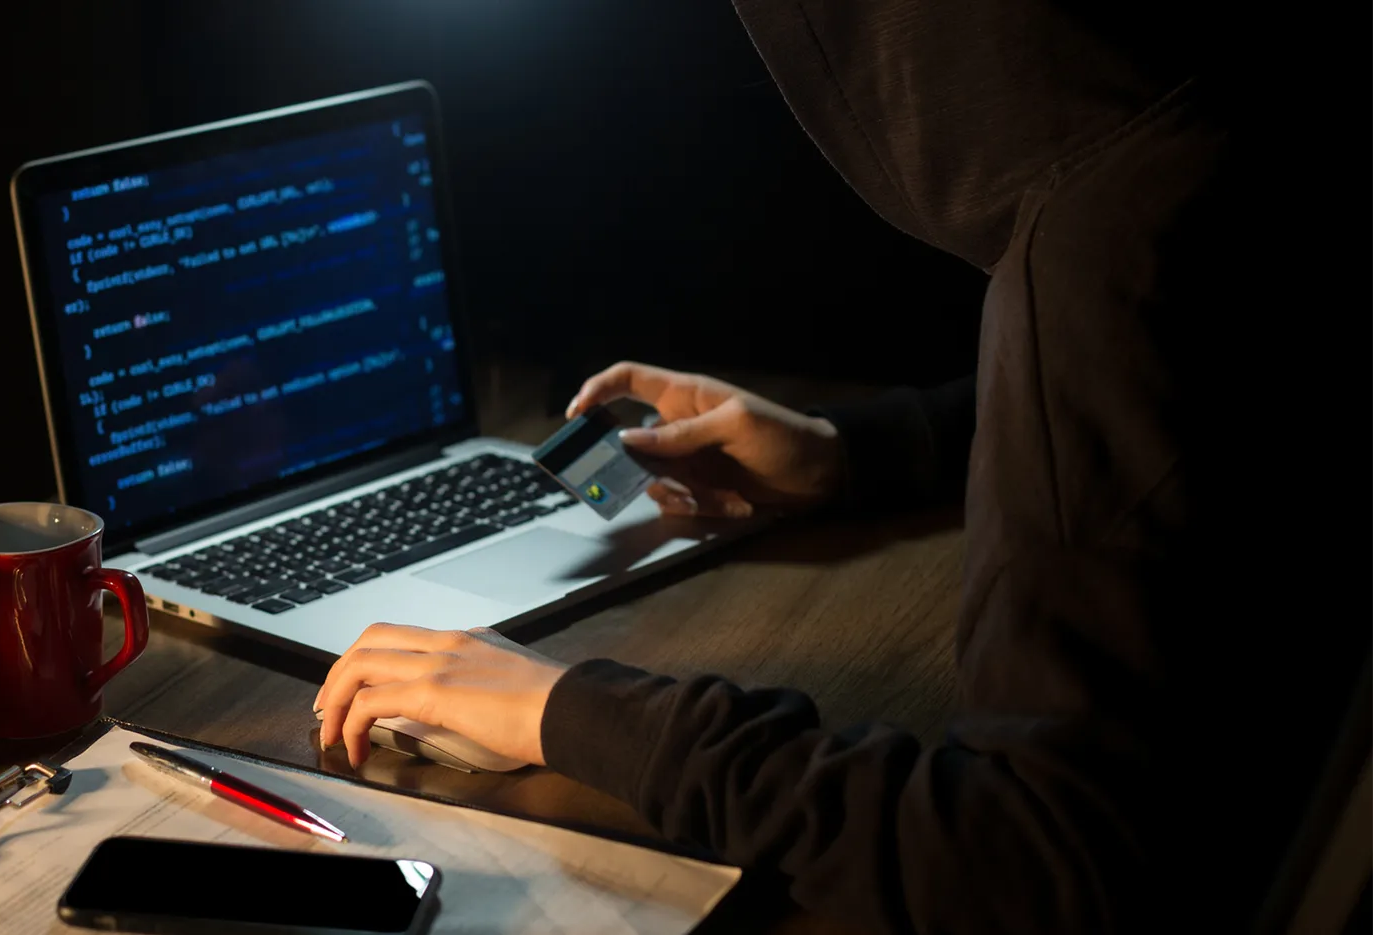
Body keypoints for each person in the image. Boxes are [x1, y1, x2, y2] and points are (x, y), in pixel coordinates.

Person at [314, 1, 1365, 932]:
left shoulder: (1100, 264)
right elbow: (1154, 436)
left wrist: (569, 710)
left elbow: (1033, 867)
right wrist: (851, 451)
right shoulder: (1209, 150)